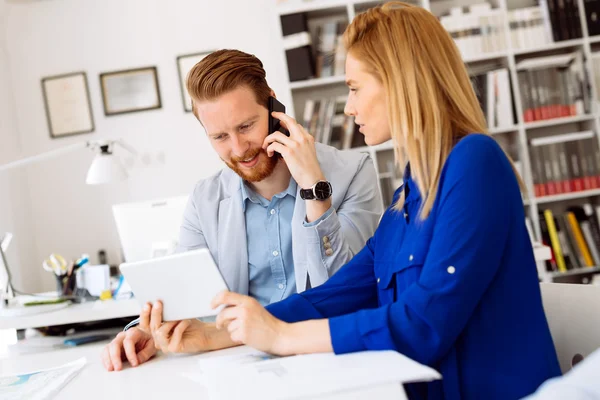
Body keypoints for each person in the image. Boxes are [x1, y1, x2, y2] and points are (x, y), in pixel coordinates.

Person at [125, 3, 563, 399]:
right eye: (219, 135)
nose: (349, 108)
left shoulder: (475, 161)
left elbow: (424, 322)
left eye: (355, 88)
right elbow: (338, 294)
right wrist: (216, 334)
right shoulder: (410, 192)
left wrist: (280, 337)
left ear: (400, 82)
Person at [101, 49, 382, 371]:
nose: (237, 149)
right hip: (243, 362)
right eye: (220, 136)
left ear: (274, 107)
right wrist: (144, 330)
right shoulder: (205, 199)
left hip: (327, 353)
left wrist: (313, 189)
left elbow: (347, 292)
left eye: (246, 126)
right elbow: (183, 293)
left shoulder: (353, 172)